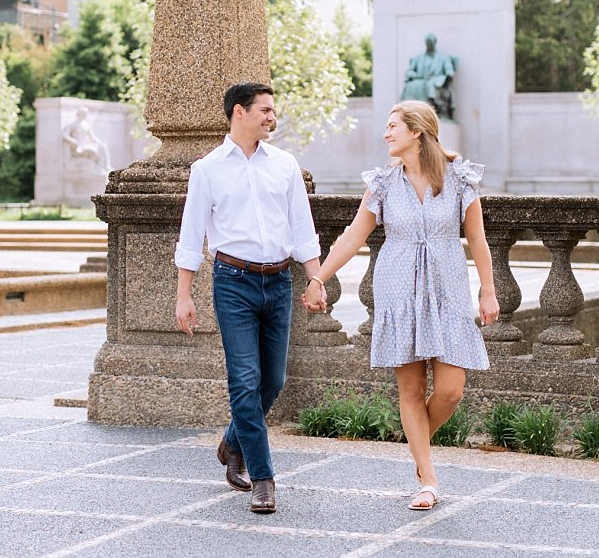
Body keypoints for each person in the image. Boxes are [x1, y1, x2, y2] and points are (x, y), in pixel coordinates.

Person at [302, 100, 497, 510]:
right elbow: (354, 237)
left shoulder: (460, 179)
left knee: (450, 389)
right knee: (409, 389)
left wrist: (488, 290)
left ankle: (417, 442)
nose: (386, 134)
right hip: (398, 291)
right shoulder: (383, 184)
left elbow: (478, 240)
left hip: (447, 290)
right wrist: (319, 276)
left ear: (417, 132)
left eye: (393, 127)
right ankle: (427, 477)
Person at [175, 82, 323, 514]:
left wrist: (315, 278)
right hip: (232, 283)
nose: (271, 117)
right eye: (265, 110)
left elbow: (302, 227)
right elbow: (191, 237)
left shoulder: (285, 165)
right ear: (239, 112)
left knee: (271, 382)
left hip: (279, 283)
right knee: (244, 381)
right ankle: (263, 478)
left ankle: (230, 441)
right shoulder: (207, 170)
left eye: (273, 111)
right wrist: (184, 294)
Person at [400, 32, 458, 120]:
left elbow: (449, 71)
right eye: (428, 43)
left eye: (431, 43)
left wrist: (446, 76)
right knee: (411, 86)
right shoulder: (418, 58)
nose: (429, 45)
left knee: (431, 85)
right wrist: (417, 75)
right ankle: (411, 113)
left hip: (435, 81)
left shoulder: (443, 58)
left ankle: (431, 112)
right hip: (421, 81)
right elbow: (409, 72)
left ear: (434, 43)